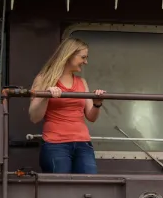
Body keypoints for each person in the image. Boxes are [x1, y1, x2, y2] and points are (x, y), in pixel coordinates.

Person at [28, 37, 106, 174]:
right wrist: (45, 96)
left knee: (90, 185)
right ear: (69, 55)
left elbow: (91, 117)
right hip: (55, 144)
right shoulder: (44, 79)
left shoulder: (82, 82)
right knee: (60, 188)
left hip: (83, 143)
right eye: (83, 57)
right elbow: (34, 117)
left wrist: (97, 104)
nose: (86, 62)